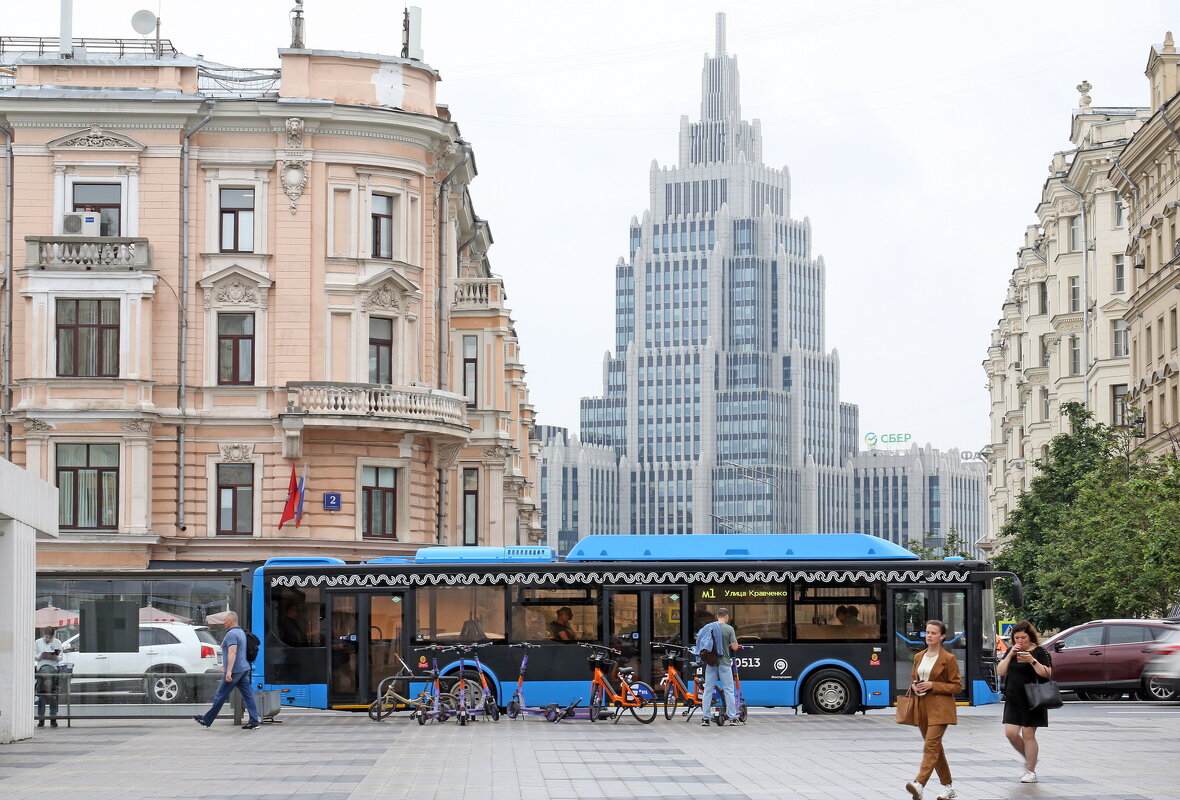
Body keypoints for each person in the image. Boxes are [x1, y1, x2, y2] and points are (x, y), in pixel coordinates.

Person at [905, 620, 962, 800]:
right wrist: (915, 686)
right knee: (936, 748)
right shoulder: (919, 657)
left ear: (942, 637)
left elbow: (957, 686)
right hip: (922, 707)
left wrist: (933, 685)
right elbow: (914, 679)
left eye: (933, 633)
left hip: (941, 708)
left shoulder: (948, 659)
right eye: (927, 632)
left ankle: (919, 783)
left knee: (930, 746)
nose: (929, 636)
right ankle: (948, 787)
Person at [997, 619, 1053, 784]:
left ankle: (1031, 770)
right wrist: (1011, 655)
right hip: (1014, 698)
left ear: (1030, 637)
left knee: (1028, 734)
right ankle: (1030, 759)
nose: (1020, 641)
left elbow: (1047, 673)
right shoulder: (1010, 651)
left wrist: (1032, 661)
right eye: (1017, 638)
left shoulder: (1040, 651)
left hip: (1033, 698)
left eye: (1023, 638)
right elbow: (1001, 671)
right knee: (1010, 733)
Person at [194, 611, 259, 730]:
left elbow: (232, 652)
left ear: (230, 621)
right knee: (248, 695)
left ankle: (207, 719)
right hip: (244, 668)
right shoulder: (240, 632)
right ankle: (254, 721)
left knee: (220, 695)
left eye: (224, 620)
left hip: (234, 671)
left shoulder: (231, 634)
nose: (223, 623)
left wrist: (228, 671)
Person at [698, 607, 743, 727]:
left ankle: (705, 719)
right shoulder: (729, 629)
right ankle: (733, 718)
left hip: (711, 663)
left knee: (708, 691)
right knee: (728, 690)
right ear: (727, 617)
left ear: (717, 616)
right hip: (724, 663)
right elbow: (734, 647)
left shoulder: (709, 627)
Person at [34, 627, 64, 728]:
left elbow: (61, 657)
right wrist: (41, 655)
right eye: (46, 637)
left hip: (53, 667)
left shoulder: (57, 642)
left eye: (50, 638)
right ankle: (42, 718)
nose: (48, 639)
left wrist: (55, 657)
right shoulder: (37, 642)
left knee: (50, 694)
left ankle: (52, 718)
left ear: (52, 636)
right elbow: (34, 656)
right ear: (44, 635)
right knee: (44, 694)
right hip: (42, 666)